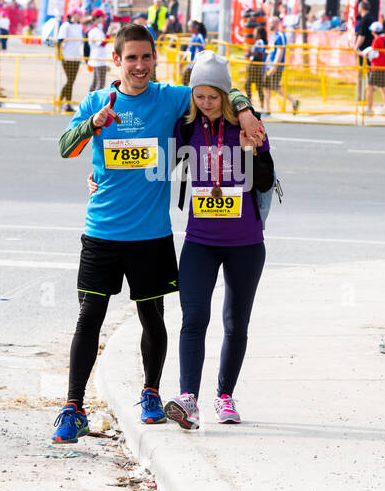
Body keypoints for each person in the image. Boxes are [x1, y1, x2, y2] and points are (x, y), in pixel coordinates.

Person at [51, 24, 264, 443]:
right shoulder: (97, 101)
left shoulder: (170, 99)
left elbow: (217, 89)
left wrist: (243, 110)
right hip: (101, 233)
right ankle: (73, 408)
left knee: (153, 317)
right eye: (131, 57)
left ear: (155, 58)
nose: (140, 65)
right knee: (88, 317)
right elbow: (64, 147)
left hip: (151, 236)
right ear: (117, 60)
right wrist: (94, 123)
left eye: (146, 57)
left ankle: (150, 394)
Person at [161, 52, 274, 429]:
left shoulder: (248, 125)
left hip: (245, 242)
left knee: (235, 323)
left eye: (213, 96)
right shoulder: (187, 128)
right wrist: (99, 174)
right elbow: (155, 166)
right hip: (200, 241)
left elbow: (264, 180)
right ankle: (188, 399)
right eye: (200, 96)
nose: (206, 103)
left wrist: (248, 147)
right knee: (193, 319)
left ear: (226, 95)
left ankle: (225, 396)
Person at [57, 11, 84, 112]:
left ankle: (64, 102)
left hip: (76, 57)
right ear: (72, 15)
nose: (79, 16)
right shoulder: (66, 25)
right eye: (78, 14)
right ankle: (64, 102)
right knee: (70, 80)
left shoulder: (79, 26)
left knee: (71, 81)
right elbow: (60, 41)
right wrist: (60, 55)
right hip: (67, 56)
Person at [364, 20, 385, 114]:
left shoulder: (377, 40)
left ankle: (369, 108)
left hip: (377, 67)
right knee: (383, 89)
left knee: (369, 87)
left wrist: (365, 54)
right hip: (384, 66)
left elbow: (374, 54)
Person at [87, 11, 111, 92]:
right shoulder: (95, 30)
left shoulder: (96, 29)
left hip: (98, 59)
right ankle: (94, 102)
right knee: (100, 84)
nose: (103, 19)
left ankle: (89, 101)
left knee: (95, 83)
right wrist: (109, 33)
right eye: (102, 17)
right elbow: (102, 43)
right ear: (97, 18)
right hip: (99, 60)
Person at [245, 24, 268, 109]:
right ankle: (257, 103)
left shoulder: (260, 42)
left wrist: (252, 52)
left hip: (256, 68)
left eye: (255, 32)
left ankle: (255, 103)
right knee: (257, 87)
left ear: (259, 34)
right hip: (256, 67)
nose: (253, 34)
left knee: (251, 85)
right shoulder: (258, 42)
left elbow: (260, 54)